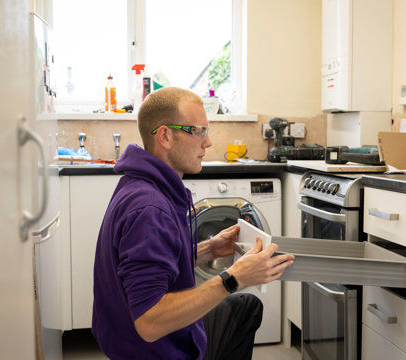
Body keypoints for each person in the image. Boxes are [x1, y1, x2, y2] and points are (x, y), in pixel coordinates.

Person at [92, 87, 295, 359]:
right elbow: (150, 321)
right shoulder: (150, 209)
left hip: (131, 342)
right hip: (156, 350)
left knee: (245, 306)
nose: (208, 142)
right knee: (240, 299)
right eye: (198, 131)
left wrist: (210, 249)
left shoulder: (141, 184)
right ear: (165, 135)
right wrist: (234, 277)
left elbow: (154, 266)